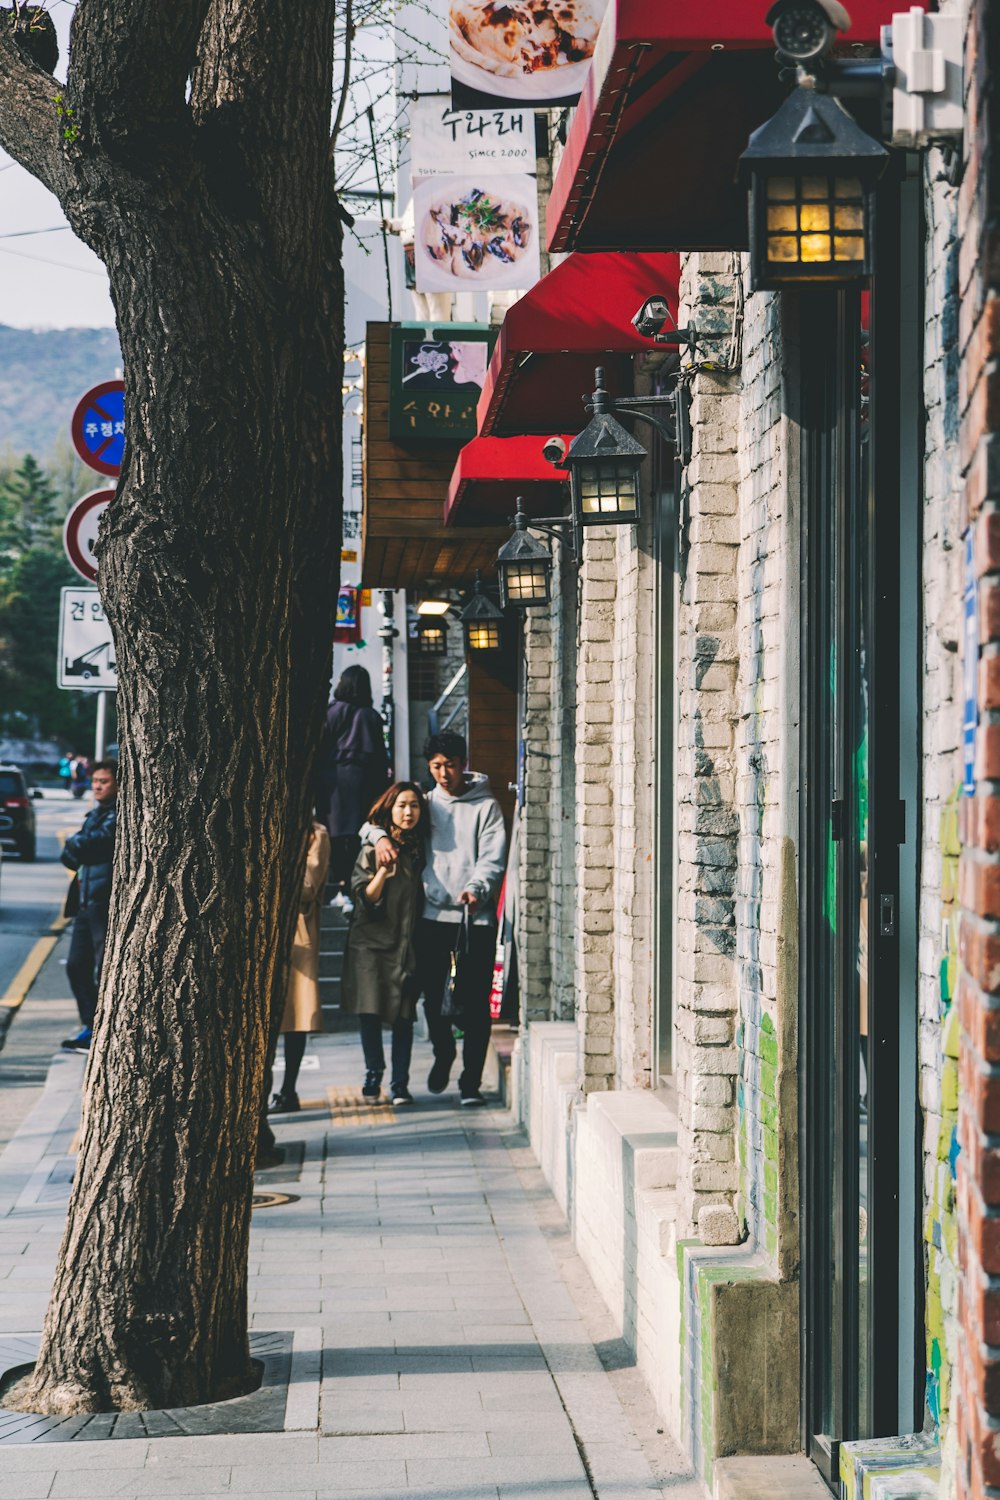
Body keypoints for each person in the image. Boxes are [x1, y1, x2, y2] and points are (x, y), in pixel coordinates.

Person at [368, 732, 507, 1107]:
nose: (444, 773)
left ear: (463, 763)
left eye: (449, 765)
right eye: (435, 767)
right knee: (432, 999)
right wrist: (380, 837)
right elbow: (375, 820)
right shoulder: (426, 804)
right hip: (430, 916)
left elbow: (493, 858)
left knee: (474, 1004)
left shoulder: (486, 807)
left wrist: (478, 887)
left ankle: (470, 1084)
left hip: (472, 919)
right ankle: (444, 1052)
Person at [343, 782, 427, 1105]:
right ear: (390, 809)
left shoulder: (421, 845)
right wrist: (382, 872)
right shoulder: (375, 848)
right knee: (371, 1010)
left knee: (404, 1015)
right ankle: (373, 1073)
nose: (408, 812)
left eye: (414, 806)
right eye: (402, 806)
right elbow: (364, 896)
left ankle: (400, 1084)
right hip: (371, 942)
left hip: (406, 942)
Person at [268, 819, 331, 1115]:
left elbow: (306, 887)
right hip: (264, 932)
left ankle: (288, 1089)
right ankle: (264, 1090)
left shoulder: (314, 833)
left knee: (296, 1016)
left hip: (297, 931)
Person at [317, 666, 389, 905]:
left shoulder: (333, 712)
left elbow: (320, 746)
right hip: (365, 785)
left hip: (333, 785)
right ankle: (354, 884)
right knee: (360, 833)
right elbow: (381, 759)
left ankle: (340, 887)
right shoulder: (372, 716)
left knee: (335, 836)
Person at [60, 759, 117, 1051]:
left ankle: (105, 1031)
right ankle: (91, 1026)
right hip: (84, 903)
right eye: (95, 780)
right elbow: (70, 856)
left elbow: (98, 844)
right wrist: (78, 843)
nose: (96, 786)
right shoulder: (94, 816)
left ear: (118, 784)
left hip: (103, 904)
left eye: (104, 781)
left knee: (102, 969)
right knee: (76, 967)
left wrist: (77, 843)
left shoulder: (118, 815)